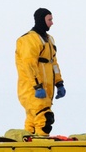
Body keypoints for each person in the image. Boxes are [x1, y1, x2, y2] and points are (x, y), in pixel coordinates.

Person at [15, 8, 65, 136]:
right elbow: (29, 65)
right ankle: (41, 144)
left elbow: (54, 63)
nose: (52, 23)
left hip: (45, 88)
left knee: (33, 119)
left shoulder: (49, 40)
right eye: (49, 20)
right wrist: (37, 86)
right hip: (32, 89)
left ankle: (29, 142)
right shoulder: (29, 40)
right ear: (42, 20)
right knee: (44, 118)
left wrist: (59, 83)